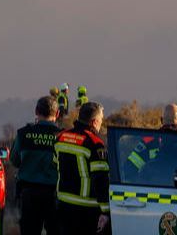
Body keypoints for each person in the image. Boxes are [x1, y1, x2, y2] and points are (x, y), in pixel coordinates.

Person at [53, 102, 110, 235]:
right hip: (86, 210)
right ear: (94, 122)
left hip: (63, 205)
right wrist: (105, 211)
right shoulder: (95, 144)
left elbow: (55, 164)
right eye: (101, 120)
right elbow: (100, 180)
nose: (101, 123)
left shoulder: (61, 137)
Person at [12, 96, 64, 235]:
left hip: (29, 194)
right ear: (57, 114)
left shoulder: (23, 134)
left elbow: (14, 161)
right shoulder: (62, 136)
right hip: (55, 196)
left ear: (36, 111)